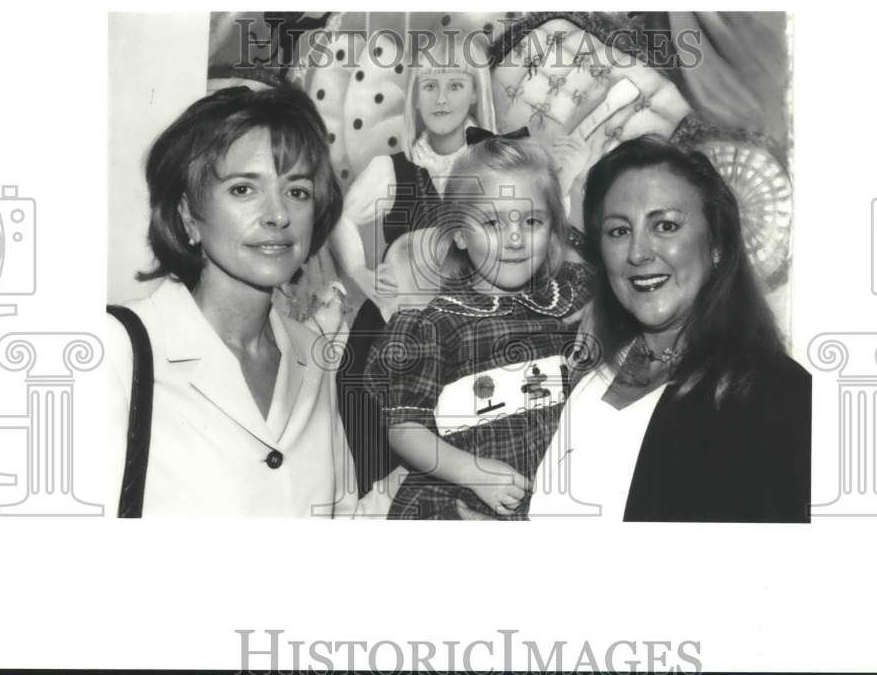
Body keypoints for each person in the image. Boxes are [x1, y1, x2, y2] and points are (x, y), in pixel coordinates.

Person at [106, 85, 396, 516]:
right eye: (244, 189)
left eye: (297, 191)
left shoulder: (317, 358)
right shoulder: (115, 350)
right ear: (187, 214)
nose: (278, 214)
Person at [527, 134, 811, 522]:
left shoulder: (773, 396)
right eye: (618, 231)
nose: (638, 253)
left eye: (665, 225)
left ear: (717, 247)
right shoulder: (595, 363)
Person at [365, 132, 593, 519]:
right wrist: (472, 473)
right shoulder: (436, 324)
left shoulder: (565, 298)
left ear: (554, 228)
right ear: (458, 234)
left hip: (547, 506)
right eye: (492, 222)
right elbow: (404, 428)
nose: (516, 238)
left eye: (533, 220)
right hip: (458, 503)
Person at [331, 32, 497, 494]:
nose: (441, 98)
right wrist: (361, 273)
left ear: (475, 95)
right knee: (373, 426)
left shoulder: (497, 164)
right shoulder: (392, 169)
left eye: (455, 85)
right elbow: (341, 219)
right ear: (416, 95)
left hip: (468, 331)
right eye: (430, 85)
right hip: (394, 329)